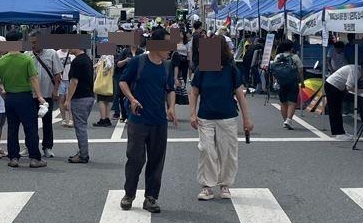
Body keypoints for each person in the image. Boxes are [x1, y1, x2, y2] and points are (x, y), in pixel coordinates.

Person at [118, 27, 179, 213]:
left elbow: (169, 89)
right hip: (138, 120)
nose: (170, 48)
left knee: (156, 160)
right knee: (135, 159)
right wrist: (132, 98)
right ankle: (129, 194)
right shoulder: (138, 62)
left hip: (159, 121)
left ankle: (151, 198)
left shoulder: (167, 66)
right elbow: (122, 81)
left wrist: (171, 107)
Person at [189, 42, 252, 200]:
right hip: (205, 116)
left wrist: (246, 119)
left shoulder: (231, 69)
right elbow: (194, 92)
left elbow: (240, 95)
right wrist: (192, 114)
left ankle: (225, 184)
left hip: (228, 116)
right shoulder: (202, 69)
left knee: (228, 153)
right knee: (206, 150)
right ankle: (207, 186)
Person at [0, 30, 47, 168]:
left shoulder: (2, 61)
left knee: (12, 129)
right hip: (25, 97)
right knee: (30, 128)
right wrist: (39, 96)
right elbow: (33, 78)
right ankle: (34, 158)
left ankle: (13, 158)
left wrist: (1, 91)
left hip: (9, 98)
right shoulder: (26, 59)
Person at [63, 42, 95, 163]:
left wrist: (67, 99)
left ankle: (83, 154)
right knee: (82, 125)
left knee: (80, 127)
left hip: (80, 97)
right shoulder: (87, 59)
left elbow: (74, 82)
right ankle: (82, 151)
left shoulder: (77, 61)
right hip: (89, 96)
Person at [31, 35, 62, 158]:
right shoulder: (27, 54)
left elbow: (57, 74)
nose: (33, 45)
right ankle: (31, 146)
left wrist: (55, 90)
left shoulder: (52, 53)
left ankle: (47, 147)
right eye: (31, 42)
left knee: (47, 122)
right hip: (31, 94)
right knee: (30, 122)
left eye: (35, 42)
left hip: (47, 93)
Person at [269, 40, 303, 129]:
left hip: (281, 82)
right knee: (292, 102)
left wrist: (275, 82)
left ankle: (285, 120)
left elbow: (274, 71)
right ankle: (288, 120)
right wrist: (302, 82)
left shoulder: (278, 56)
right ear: (291, 48)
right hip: (293, 82)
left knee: (283, 102)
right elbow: (300, 70)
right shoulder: (295, 57)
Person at [322, 60, 359, 139]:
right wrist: (360, 91)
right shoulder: (355, 70)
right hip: (333, 86)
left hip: (336, 86)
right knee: (335, 110)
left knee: (337, 110)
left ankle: (341, 131)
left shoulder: (356, 69)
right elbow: (349, 87)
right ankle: (338, 133)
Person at [93, 51, 115, 126]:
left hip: (103, 81)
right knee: (107, 101)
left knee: (101, 100)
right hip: (109, 82)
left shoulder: (105, 56)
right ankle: (107, 119)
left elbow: (107, 66)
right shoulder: (112, 56)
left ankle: (102, 119)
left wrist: (101, 70)